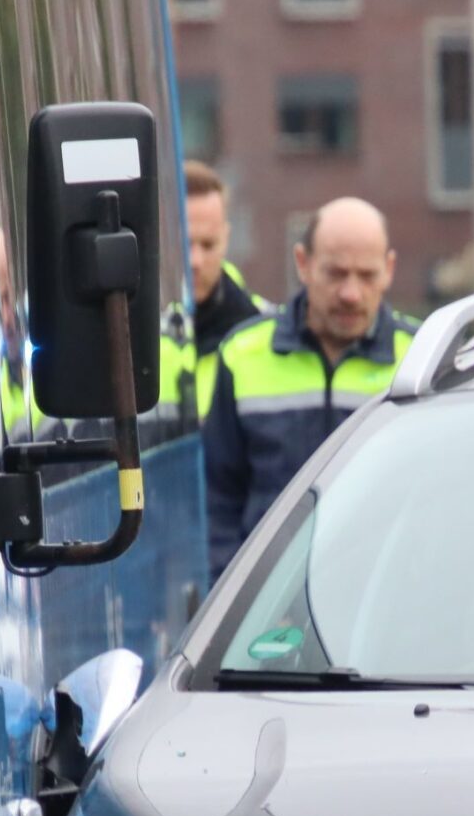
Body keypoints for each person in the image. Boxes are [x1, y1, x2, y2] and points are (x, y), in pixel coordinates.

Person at [203, 196, 417, 575]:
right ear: (302, 263)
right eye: (336, 273)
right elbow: (217, 497)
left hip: (383, 590)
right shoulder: (243, 353)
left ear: (389, 270)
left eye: (367, 275)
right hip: (271, 595)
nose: (351, 294)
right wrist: (234, 590)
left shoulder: (419, 359)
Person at [167, 160, 271, 419]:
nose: (195, 261)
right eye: (185, 243)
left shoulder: (269, 331)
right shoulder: (124, 333)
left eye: (208, 244)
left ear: (226, 237)